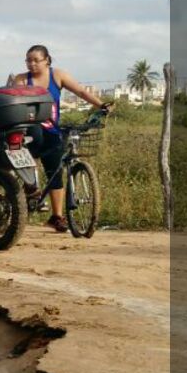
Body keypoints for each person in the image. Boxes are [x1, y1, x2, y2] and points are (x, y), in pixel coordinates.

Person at [9, 45, 113, 232]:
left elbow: (81, 92)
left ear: (47, 60)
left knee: (55, 171)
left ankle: (56, 217)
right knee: (35, 138)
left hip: (52, 129)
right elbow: (16, 101)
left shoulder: (57, 75)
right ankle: (31, 186)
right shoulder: (22, 79)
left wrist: (101, 105)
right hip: (29, 127)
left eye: (36, 60)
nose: (31, 64)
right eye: (28, 60)